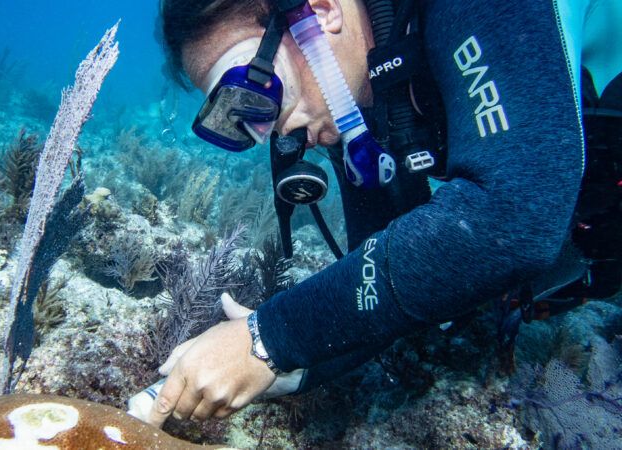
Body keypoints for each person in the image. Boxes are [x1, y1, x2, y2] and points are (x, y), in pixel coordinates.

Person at [145, 0, 622, 428]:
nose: (276, 130)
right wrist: (296, 369)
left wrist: (267, 340)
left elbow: (511, 216)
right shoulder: (350, 102)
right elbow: (378, 275)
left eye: (258, 92)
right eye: (244, 119)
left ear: (322, 10)